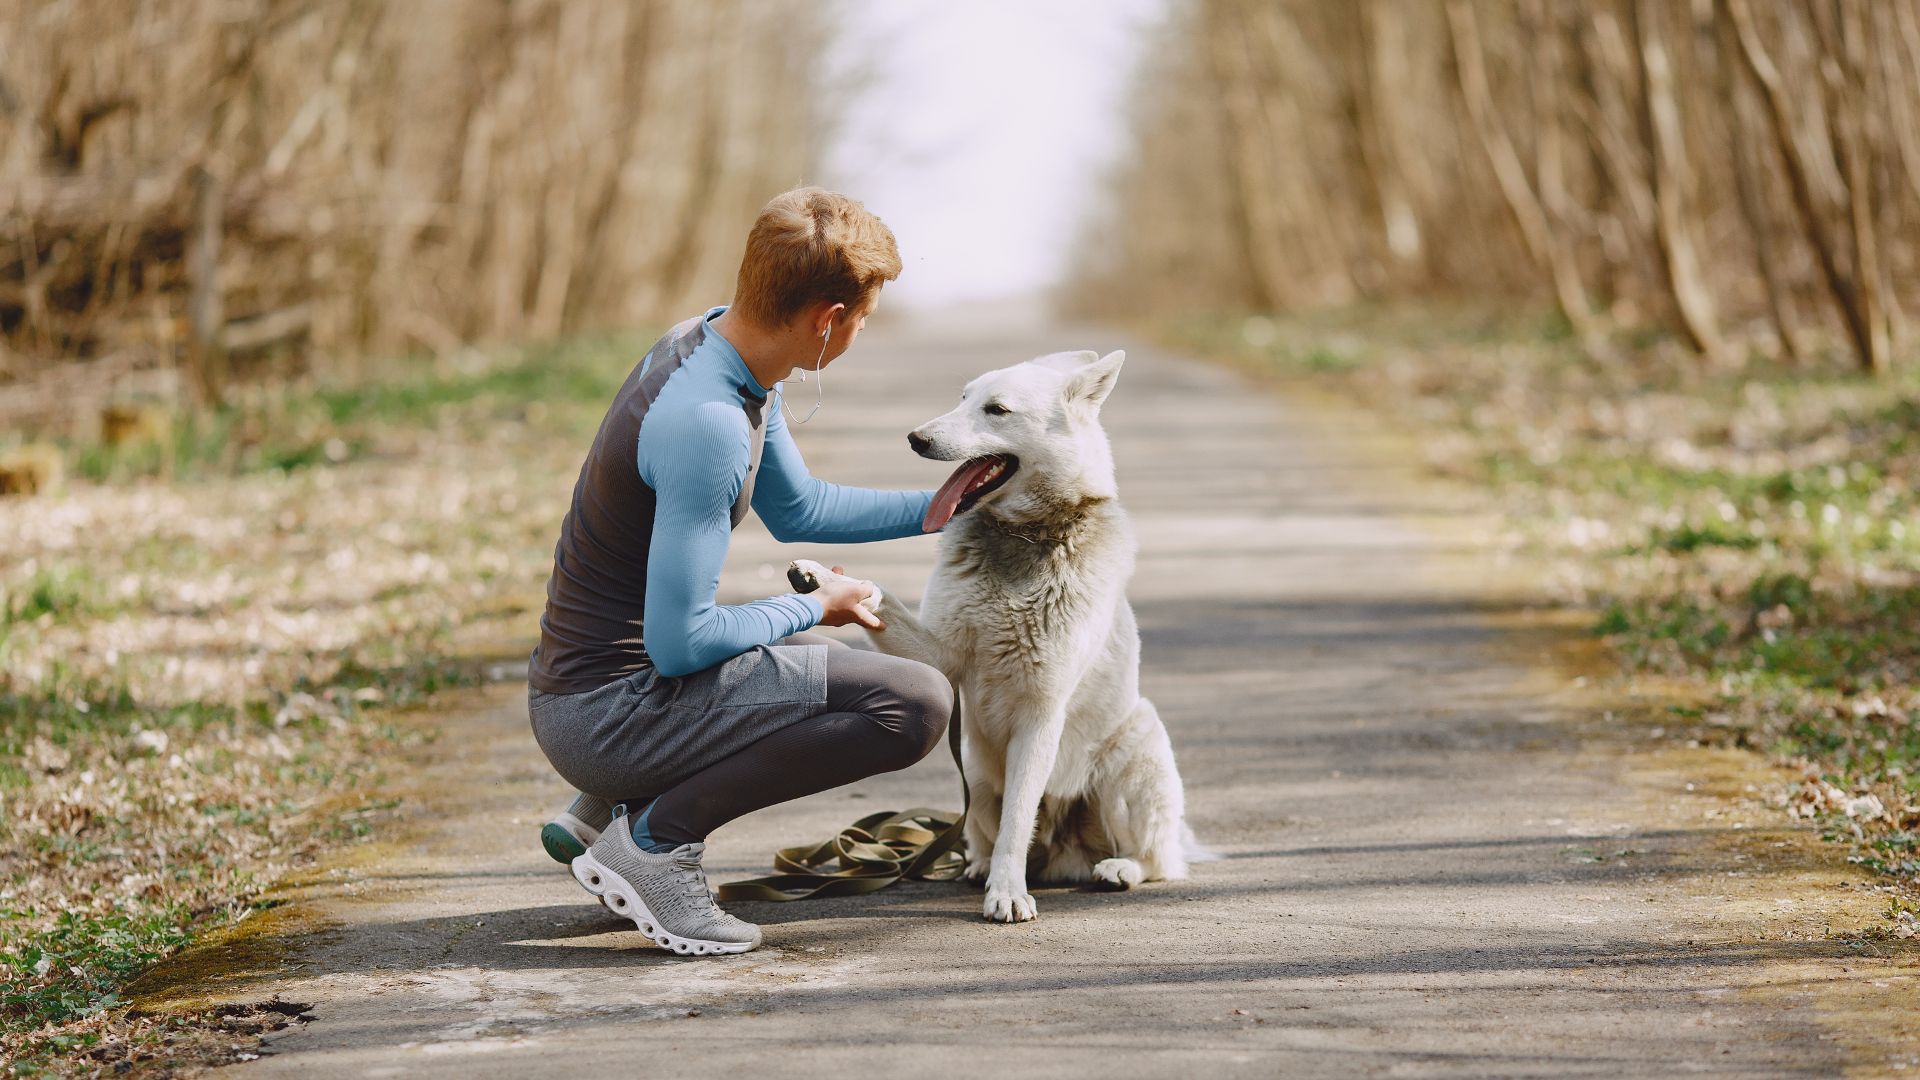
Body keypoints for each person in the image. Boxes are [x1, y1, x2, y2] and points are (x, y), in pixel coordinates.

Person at [524, 188, 950, 956]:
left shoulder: (716, 345)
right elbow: (682, 644)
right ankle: (653, 842)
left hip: (583, 688)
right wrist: (816, 605)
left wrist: (943, 506)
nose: (860, 332)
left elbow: (801, 510)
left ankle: (600, 812)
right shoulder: (711, 426)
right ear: (827, 318)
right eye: (862, 318)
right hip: (604, 713)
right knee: (911, 702)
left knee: (830, 668)